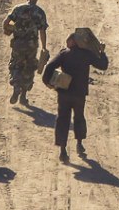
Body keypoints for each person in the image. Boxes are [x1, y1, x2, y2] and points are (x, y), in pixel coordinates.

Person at [42, 33, 109, 163]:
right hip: (79, 94)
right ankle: (79, 144)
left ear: (73, 42)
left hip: (64, 93)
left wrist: (48, 82)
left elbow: (49, 67)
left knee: (62, 120)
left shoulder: (64, 54)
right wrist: (102, 52)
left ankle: (63, 151)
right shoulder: (87, 54)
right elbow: (103, 65)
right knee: (79, 117)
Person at [2, 0, 49, 106]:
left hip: (18, 44)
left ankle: (16, 87)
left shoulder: (18, 9)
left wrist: (9, 30)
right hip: (31, 45)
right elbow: (42, 31)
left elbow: (6, 23)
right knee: (29, 68)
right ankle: (23, 95)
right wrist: (44, 47)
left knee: (16, 65)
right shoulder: (40, 12)